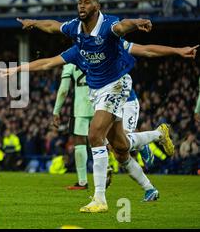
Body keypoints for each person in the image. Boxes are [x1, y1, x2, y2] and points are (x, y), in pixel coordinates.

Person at [0, 0, 178, 213]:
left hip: (119, 87)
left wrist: (139, 24)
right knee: (121, 148)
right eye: (79, 3)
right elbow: (50, 47)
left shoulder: (109, 30)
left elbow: (128, 32)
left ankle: (100, 199)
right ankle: (158, 141)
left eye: (86, 3)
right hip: (98, 93)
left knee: (94, 134)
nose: (81, 6)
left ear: (97, 6)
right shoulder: (77, 43)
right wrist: (29, 35)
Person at [50, 39, 198, 191]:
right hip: (103, 104)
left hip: (125, 102)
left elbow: (146, 49)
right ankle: (147, 187)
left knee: (116, 141)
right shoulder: (90, 55)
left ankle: (154, 137)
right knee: (116, 148)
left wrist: (178, 50)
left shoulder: (109, 46)